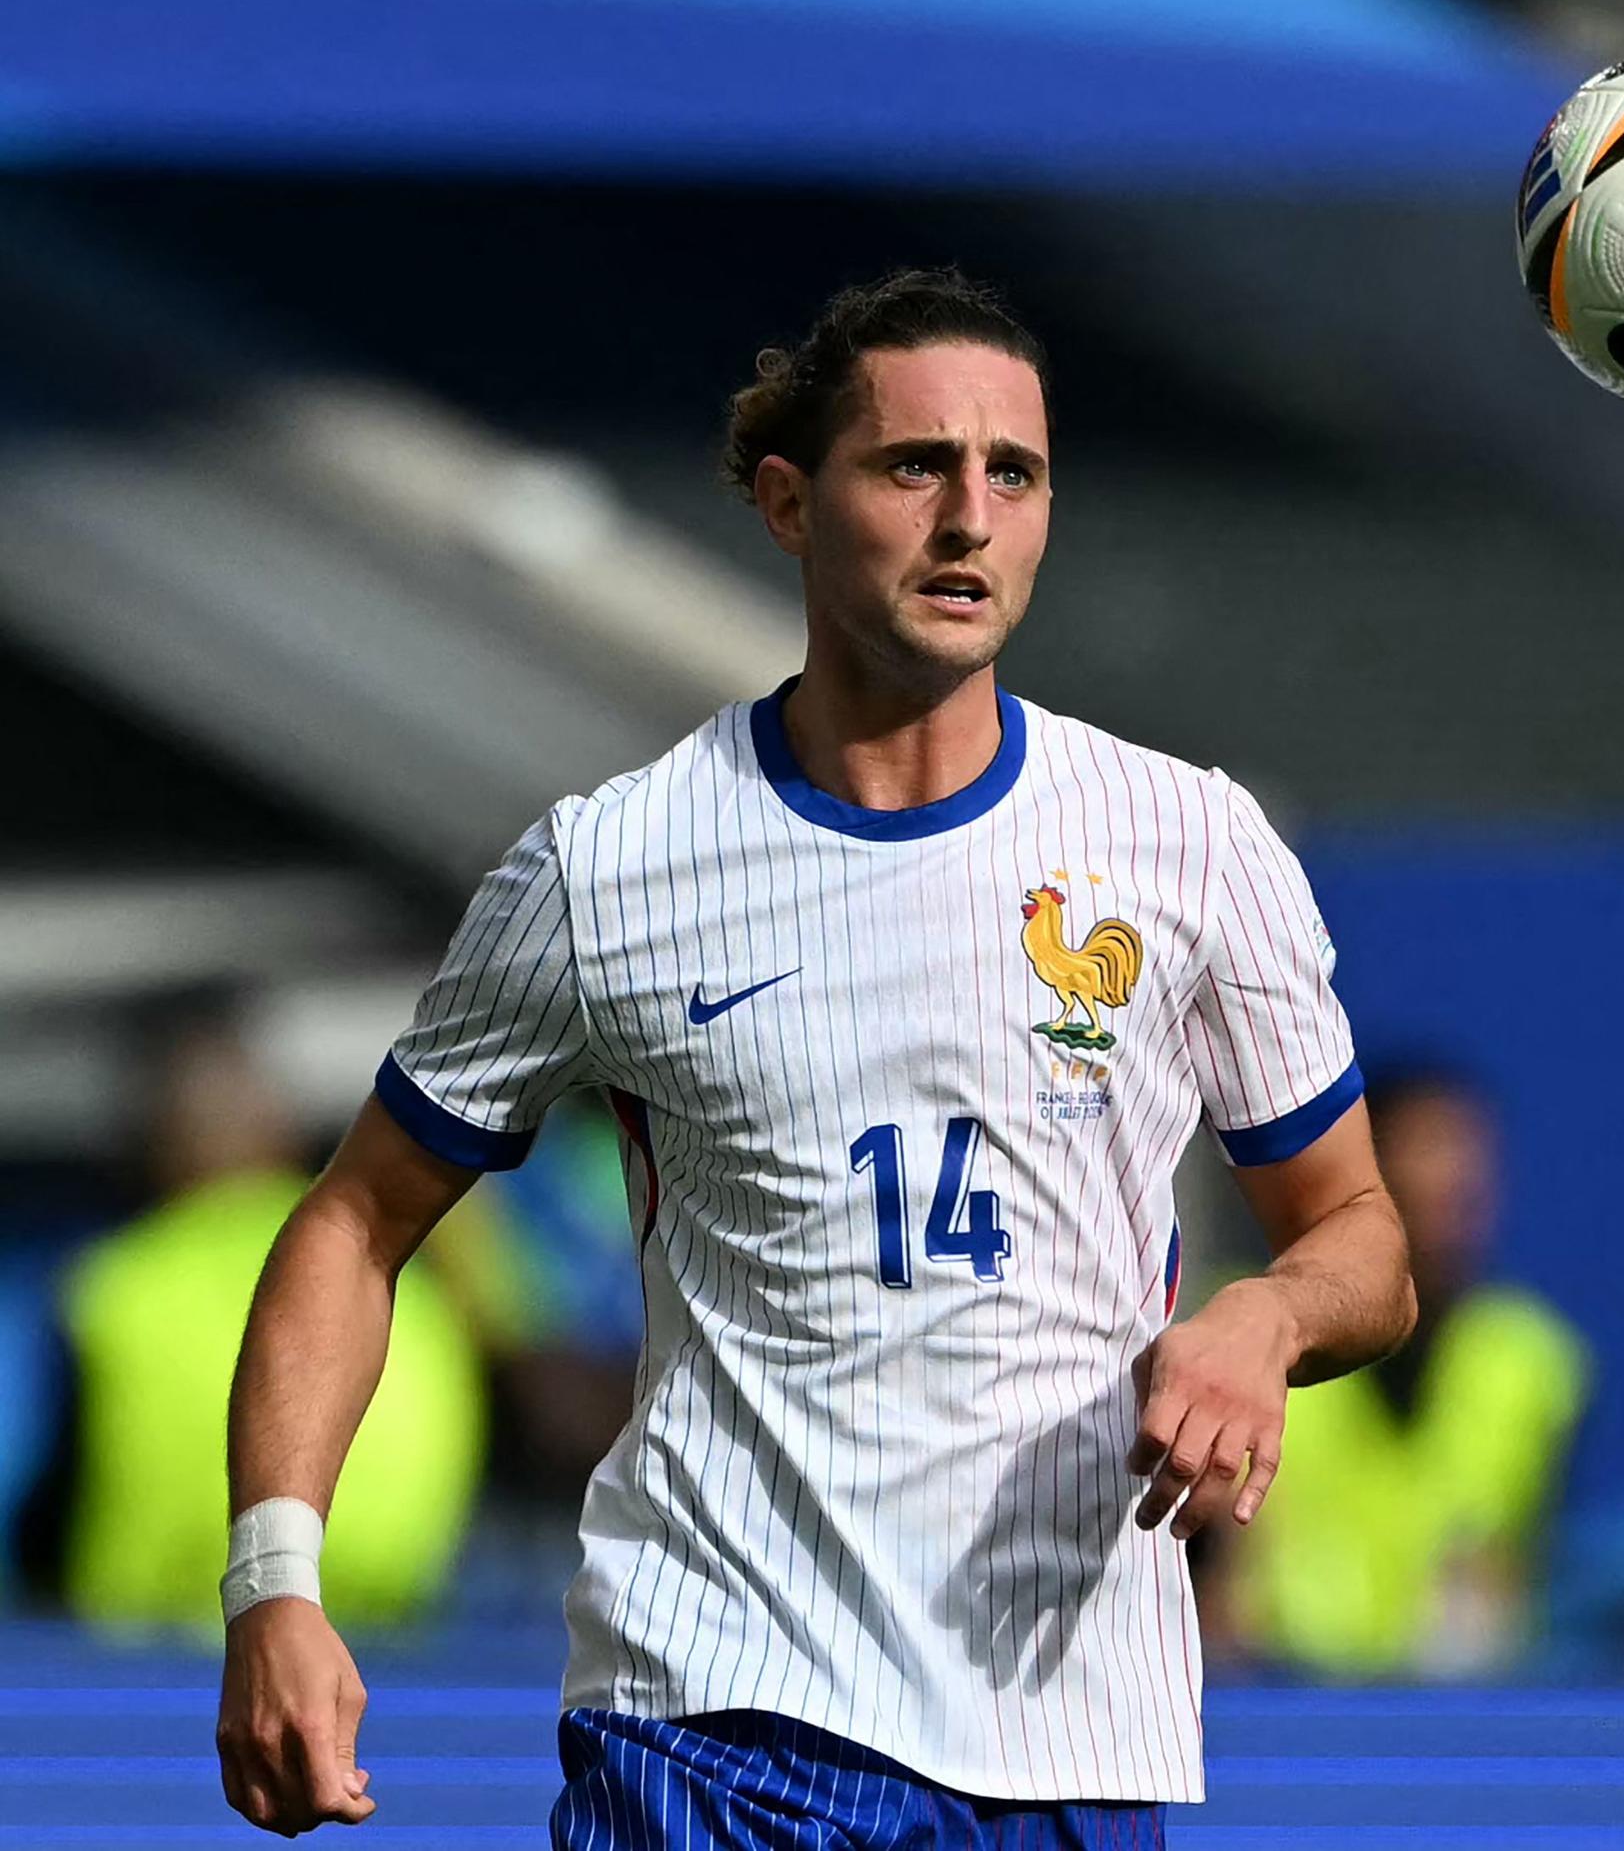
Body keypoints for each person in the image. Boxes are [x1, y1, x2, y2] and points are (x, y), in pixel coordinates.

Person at [213, 267, 1417, 1845]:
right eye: (916, 466)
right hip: (714, 1726)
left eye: (1016, 473)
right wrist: (272, 1586)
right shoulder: (613, 866)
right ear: (789, 502)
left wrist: (1265, 1319)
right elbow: (357, 1221)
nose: (970, 519)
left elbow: (1366, 1246)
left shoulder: (1189, 846)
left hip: (1069, 1742)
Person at [53, 1001, 484, 1634]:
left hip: (138, 1651)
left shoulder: (110, 1288)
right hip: (382, 1643)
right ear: (285, 1138)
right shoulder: (404, 1289)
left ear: (150, 1153)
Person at [1225, 1065, 1587, 1680]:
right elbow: (1216, 1579)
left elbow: (1514, 1567)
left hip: (1459, 1717)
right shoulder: (1246, 1338)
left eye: (1469, 1159)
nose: (1454, 1182)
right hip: (1275, 1700)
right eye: (1427, 1150)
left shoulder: (1534, 1361)